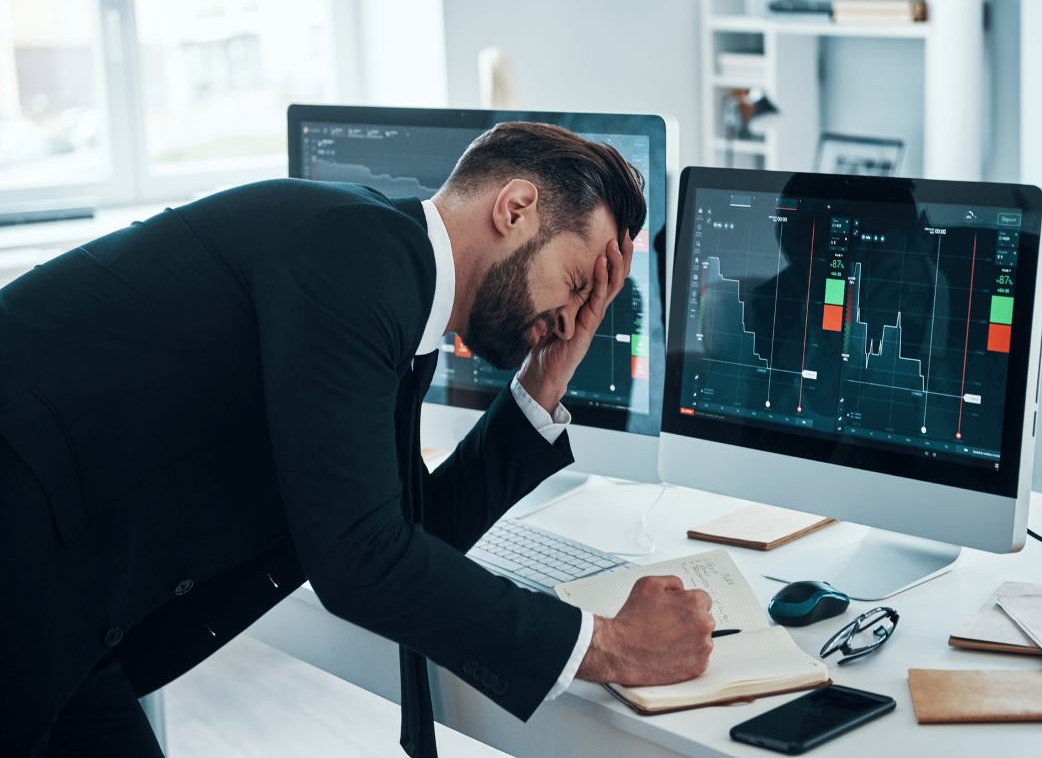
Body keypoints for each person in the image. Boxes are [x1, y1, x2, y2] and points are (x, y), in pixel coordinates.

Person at [0, 122, 715, 758]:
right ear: (516, 207)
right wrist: (610, 644)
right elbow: (363, 560)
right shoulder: (357, 252)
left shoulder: (389, 284)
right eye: (573, 282)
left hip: (63, 620)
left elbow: (412, 533)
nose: (570, 318)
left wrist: (545, 379)